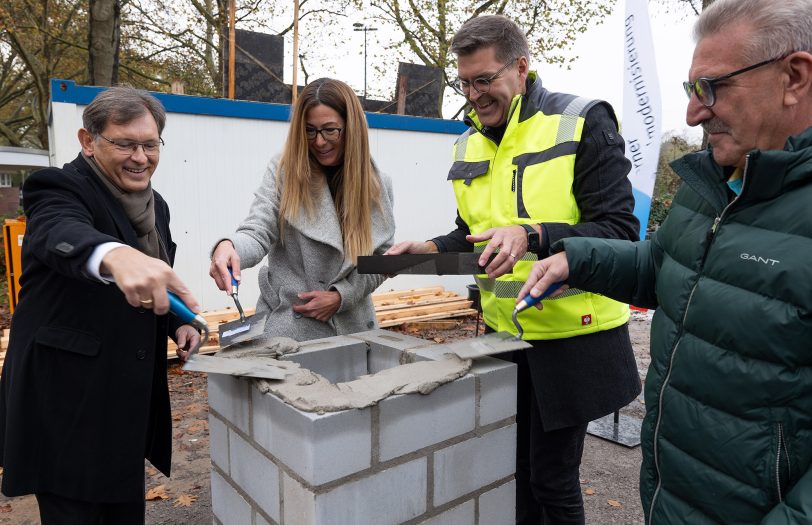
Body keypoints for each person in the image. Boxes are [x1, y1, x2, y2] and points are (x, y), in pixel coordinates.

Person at [519, 0, 812, 522]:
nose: (693, 113)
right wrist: (574, 259)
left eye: (711, 87)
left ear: (794, 77)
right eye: (689, 90)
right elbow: (670, 267)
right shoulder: (716, 182)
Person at [386, 15, 641, 524]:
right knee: (514, 473)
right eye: (465, 82)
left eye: (485, 80)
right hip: (507, 337)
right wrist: (427, 249)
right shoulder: (469, 142)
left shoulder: (583, 121)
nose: (474, 95)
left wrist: (534, 234)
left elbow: (620, 232)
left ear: (521, 68)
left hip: (572, 340)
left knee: (552, 478)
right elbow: (473, 236)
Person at [0, 86, 201, 523]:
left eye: (149, 144)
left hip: (121, 404)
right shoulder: (56, 187)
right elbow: (59, 231)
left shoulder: (155, 205)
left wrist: (178, 325)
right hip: (66, 407)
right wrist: (111, 254)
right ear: (88, 142)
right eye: (124, 144)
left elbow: (150, 282)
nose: (140, 157)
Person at [209, 78, 395, 341]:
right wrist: (228, 247)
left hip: (355, 331)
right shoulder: (285, 172)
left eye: (330, 130)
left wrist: (342, 296)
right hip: (291, 330)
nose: (319, 142)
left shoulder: (377, 185)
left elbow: (381, 260)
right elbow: (258, 230)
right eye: (309, 131)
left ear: (351, 128)